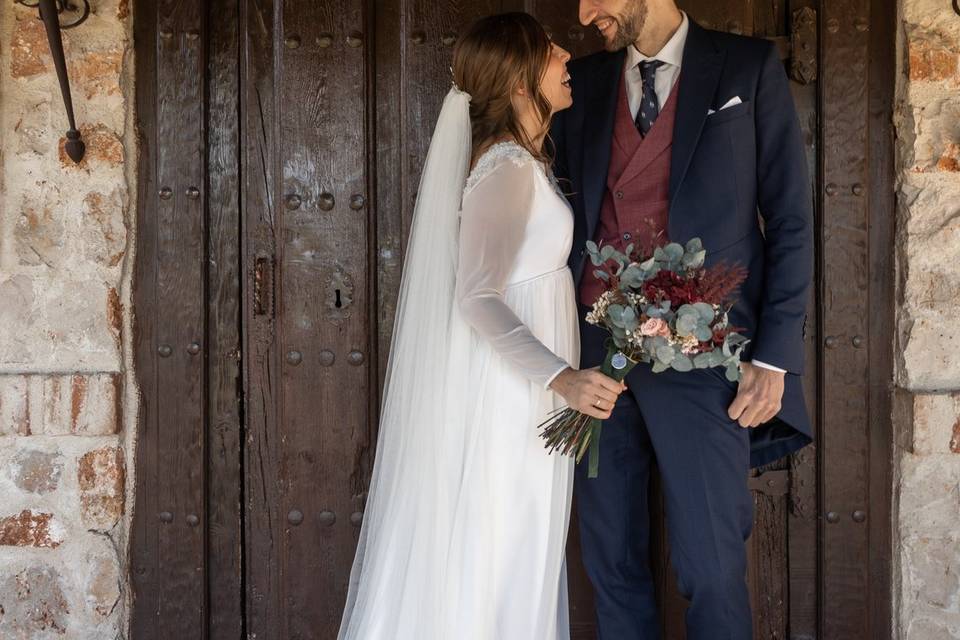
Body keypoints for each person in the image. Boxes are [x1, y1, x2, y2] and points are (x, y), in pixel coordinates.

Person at [338, 12, 623, 640]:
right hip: (511, 397)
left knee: (517, 553)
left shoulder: (523, 162)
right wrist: (563, 380)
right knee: (499, 555)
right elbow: (476, 297)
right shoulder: (507, 170)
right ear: (520, 84)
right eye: (551, 54)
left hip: (527, 394)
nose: (567, 60)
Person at [550, 1, 814, 638]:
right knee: (610, 563)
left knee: (713, 565)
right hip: (595, 362)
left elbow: (789, 221)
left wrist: (774, 357)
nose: (586, 13)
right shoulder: (580, 85)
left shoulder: (747, 68)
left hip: (706, 357)